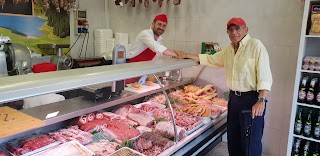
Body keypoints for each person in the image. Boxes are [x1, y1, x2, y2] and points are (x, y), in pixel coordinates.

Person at [175, 17, 272, 156]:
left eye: (237, 28)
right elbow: (209, 59)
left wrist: (261, 100)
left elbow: (264, 75)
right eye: (230, 30)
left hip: (251, 100)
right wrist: (185, 55)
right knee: (233, 139)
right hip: (233, 99)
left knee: (250, 143)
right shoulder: (228, 50)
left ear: (246, 29)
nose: (234, 32)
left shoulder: (255, 45)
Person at [126, 14, 178, 84]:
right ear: (153, 24)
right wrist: (178, 54)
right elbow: (157, 47)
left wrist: (146, 75)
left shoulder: (159, 40)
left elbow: (154, 60)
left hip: (141, 73)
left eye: (164, 25)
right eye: (159, 24)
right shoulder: (145, 34)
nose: (161, 27)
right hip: (131, 72)